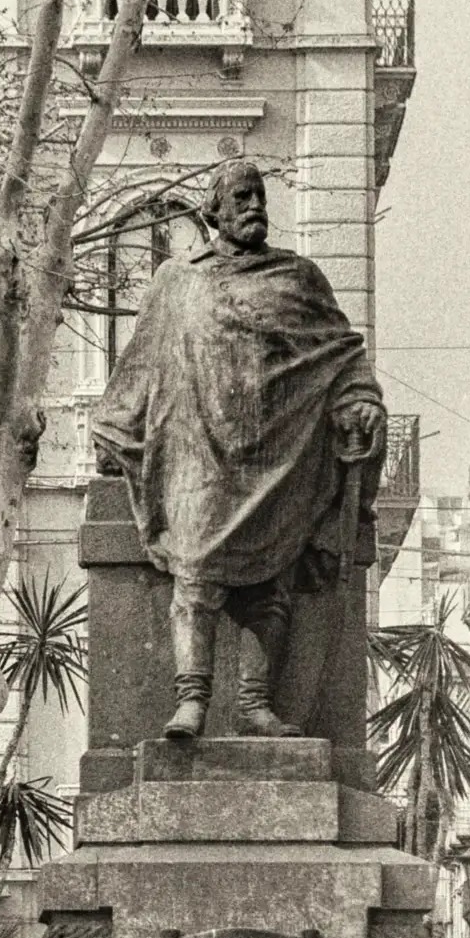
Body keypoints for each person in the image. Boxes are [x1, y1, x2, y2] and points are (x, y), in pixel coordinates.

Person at [92, 158, 387, 740]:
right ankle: (191, 700)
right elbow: (145, 359)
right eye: (242, 197)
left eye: (260, 197)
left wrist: (360, 401)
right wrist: (117, 425)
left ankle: (255, 704)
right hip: (199, 451)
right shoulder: (177, 280)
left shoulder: (298, 277)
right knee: (196, 569)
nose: (255, 206)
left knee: (272, 584)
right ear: (214, 212)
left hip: (280, 454)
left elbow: (343, 356)